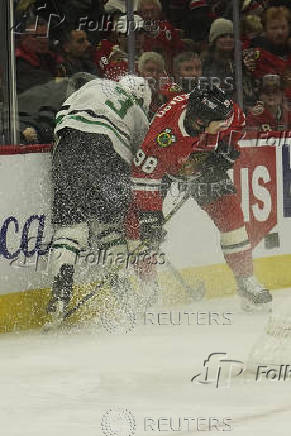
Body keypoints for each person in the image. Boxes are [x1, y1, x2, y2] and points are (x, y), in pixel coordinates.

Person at [127, 84, 273, 311]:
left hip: (202, 165)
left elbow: (237, 123)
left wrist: (225, 150)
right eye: (219, 125)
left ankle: (245, 281)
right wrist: (151, 217)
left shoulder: (223, 111)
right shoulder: (163, 136)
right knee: (138, 224)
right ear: (199, 122)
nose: (225, 123)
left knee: (232, 217)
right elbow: (144, 179)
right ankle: (147, 286)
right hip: (163, 170)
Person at [47, 75, 152, 316]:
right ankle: (122, 289)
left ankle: (60, 292)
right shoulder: (137, 110)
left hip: (67, 149)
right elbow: (142, 159)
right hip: (109, 154)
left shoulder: (90, 86)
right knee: (110, 227)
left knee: (69, 227)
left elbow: (60, 119)